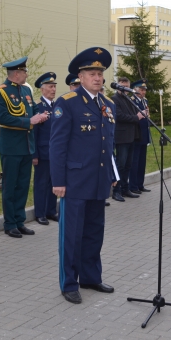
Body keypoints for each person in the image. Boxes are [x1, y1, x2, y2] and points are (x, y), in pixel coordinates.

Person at [50, 47, 118, 304]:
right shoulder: (67, 103)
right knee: (72, 235)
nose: (98, 78)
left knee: (94, 232)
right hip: (75, 182)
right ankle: (69, 283)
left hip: (99, 180)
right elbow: (57, 146)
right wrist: (58, 181)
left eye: (100, 73)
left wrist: (112, 173)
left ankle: (90, 277)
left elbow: (108, 144)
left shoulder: (108, 105)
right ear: (80, 76)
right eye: (92, 73)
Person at [0, 57, 48, 238]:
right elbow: (4, 118)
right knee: (10, 186)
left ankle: (20, 220)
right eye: (24, 72)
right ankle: (10, 223)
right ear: (16, 73)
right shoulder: (0, 92)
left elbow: (29, 112)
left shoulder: (26, 90)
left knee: (23, 186)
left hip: (26, 145)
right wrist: (29, 121)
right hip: (11, 146)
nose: (26, 74)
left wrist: (40, 116)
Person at [111, 77, 144, 202]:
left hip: (132, 136)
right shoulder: (114, 99)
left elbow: (135, 112)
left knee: (128, 165)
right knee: (121, 164)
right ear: (118, 86)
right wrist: (137, 117)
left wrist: (143, 112)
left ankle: (125, 188)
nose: (124, 88)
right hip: (122, 137)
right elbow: (119, 116)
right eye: (122, 86)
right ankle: (116, 191)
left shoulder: (129, 99)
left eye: (126, 86)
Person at [32, 72, 58, 225]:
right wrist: (34, 154)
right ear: (42, 89)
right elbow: (34, 133)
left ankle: (51, 210)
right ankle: (40, 213)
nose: (53, 90)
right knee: (41, 183)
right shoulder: (38, 107)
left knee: (54, 182)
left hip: (56, 153)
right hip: (42, 152)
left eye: (54, 87)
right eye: (50, 86)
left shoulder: (57, 106)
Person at [128, 80, 151, 194]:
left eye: (144, 90)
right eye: (141, 90)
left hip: (144, 134)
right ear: (135, 90)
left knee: (142, 161)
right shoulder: (132, 101)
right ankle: (133, 186)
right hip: (136, 134)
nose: (144, 92)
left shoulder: (145, 101)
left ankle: (140, 184)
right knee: (135, 161)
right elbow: (133, 117)